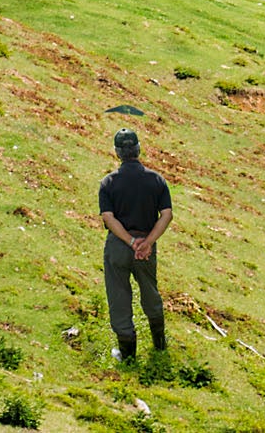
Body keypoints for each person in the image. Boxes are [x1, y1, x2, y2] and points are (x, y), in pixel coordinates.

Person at [96, 127, 172, 363]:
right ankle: (159, 346)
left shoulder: (108, 183)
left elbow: (108, 218)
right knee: (150, 292)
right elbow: (167, 214)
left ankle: (128, 356)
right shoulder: (156, 180)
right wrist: (147, 243)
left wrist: (130, 242)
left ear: (117, 152)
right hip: (147, 248)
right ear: (138, 149)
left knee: (119, 296)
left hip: (119, 246)